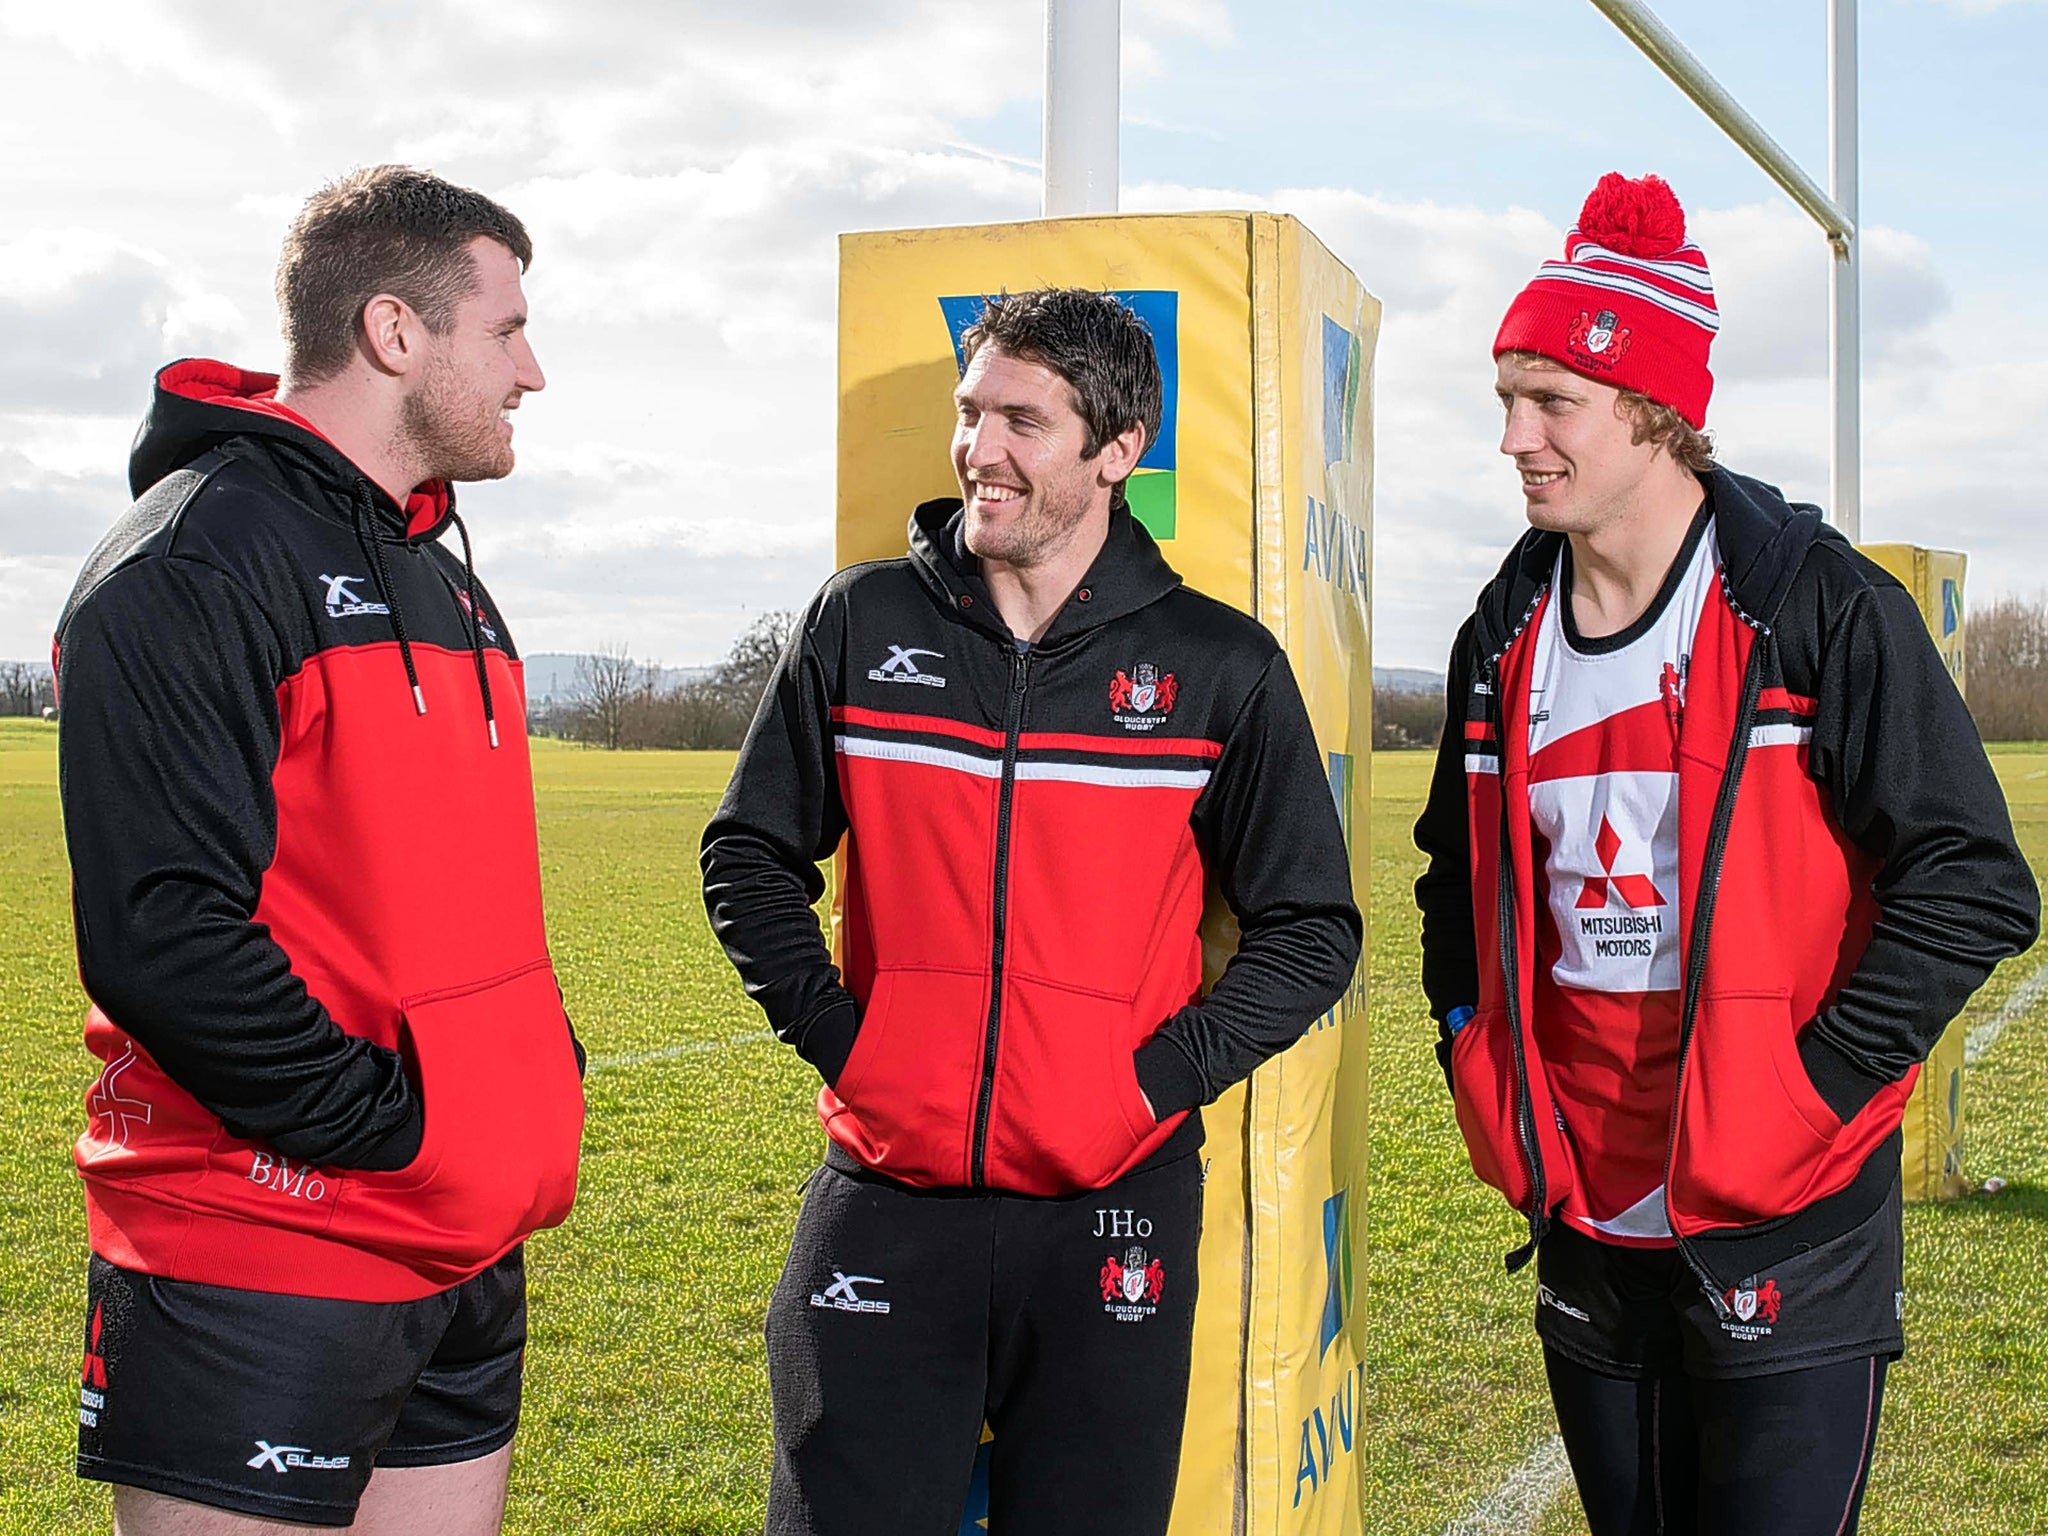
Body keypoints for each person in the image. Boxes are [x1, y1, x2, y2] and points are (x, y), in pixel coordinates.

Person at [1413, 171, 2039, 1535]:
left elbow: (1974, 883)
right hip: (1586, 1211)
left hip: (1787, 1217)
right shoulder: (1499, 635)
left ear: (1651, 411)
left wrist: (1807, 1092)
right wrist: (1473, 1039)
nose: (1514, 436)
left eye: (1551, 401)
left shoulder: (1818, 609)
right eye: (1505, 397)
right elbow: (1451, 879)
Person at [702, 286, 1361, 1535]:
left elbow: (1310, 929)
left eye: (1021, 420)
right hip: (887, 1197)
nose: (977, 451)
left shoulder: (1219, 666)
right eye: (969, 413)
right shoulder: (860, 621)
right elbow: (746, 854)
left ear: (1117, 450)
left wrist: (1148, 1084)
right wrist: (858, 1050)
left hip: (1111, 1205)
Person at [57, 165, 584, 1535]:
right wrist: (395, 1128)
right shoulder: (191, 562)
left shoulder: (443, 572)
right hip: (265, 1248)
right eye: (507, 328)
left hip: (462, 1248)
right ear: (396, 332)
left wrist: (514, 1088)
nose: (533, 369)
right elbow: (163, 931)